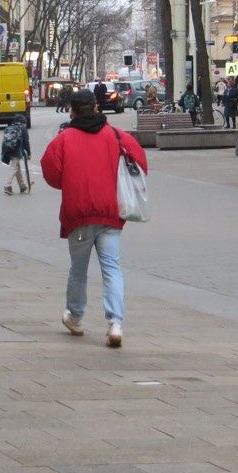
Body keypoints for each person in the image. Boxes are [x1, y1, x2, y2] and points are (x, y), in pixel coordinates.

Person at [41, 89, 146, 349]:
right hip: (111, 213)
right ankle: (115, 323)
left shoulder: (63, 140)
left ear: (72, 111)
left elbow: (51, 173)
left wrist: (71, 181)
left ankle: (75, 316)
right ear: (97, 107)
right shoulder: (116, 136)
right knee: (112, 267)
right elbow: (140, 163)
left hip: (79, 214)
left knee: (78, 270)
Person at [1, 115, 31, 195]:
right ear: (23, 122)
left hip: (7, 149)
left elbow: (4, 140)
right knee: (14, 168)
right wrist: (29, 153)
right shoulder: (23, 128)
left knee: (17, 168)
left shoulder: (9, 128)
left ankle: (22, 186)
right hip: (16, 151)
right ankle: (7, 186)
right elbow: (26, 141)